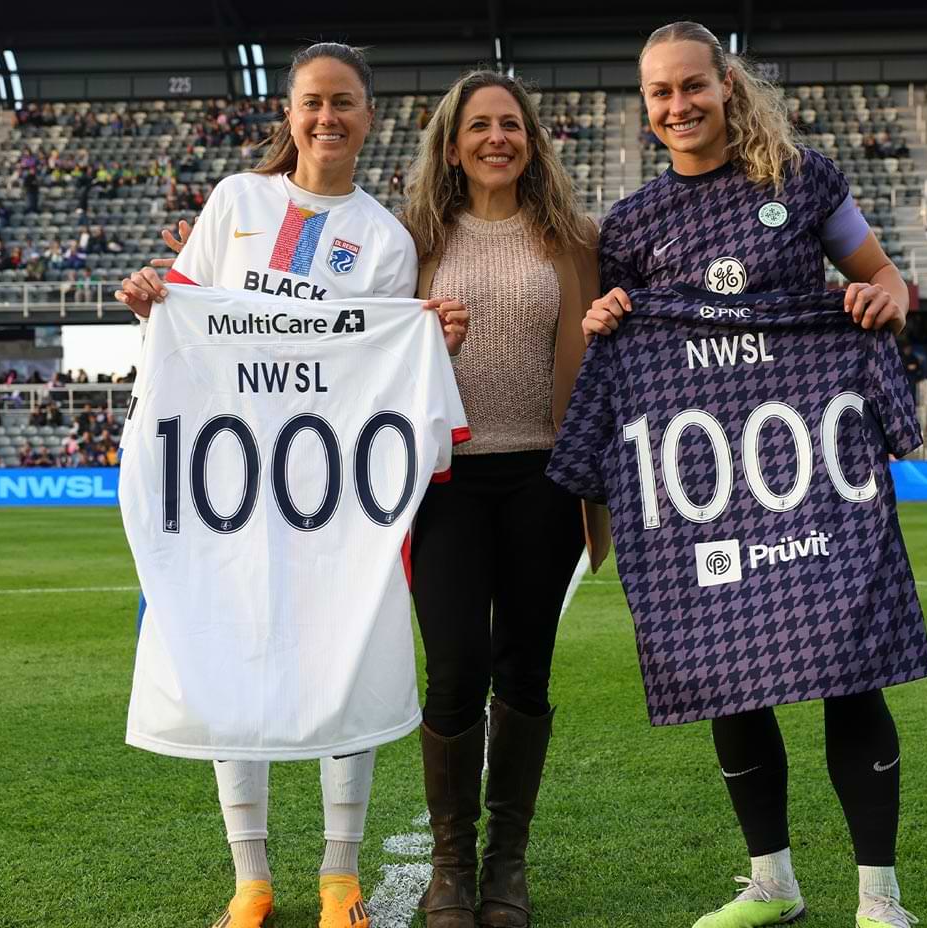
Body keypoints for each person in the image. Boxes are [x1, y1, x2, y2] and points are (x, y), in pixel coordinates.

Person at [116, 42, 468, 928]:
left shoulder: (386, 241)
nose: (327, 118)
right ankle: (251, 879)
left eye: (344, 102)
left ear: (369, 117)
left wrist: (430, 340)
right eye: (313, 102)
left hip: (331, 490)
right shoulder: (236, 200)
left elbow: (373, 366)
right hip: (230, 484)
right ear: (289, 112)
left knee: (338, 657)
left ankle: (339, 876)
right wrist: (153, 296)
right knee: (232, 661)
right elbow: (191, 322)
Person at [583, 22, 918, 928]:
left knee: (852, 668)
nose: (679, 105)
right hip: (709, 491)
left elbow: (886, 278)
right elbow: (622, 339)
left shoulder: (802, 181)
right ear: (646, 107)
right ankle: (773, 883)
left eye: (693, 85)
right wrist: (607, 310)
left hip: (812, 473)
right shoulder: (633, 224)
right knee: (730, 672)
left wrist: (883, 297)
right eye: (661, 93)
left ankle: (880, 899)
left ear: (727, 85)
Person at [401, 70, 610, 928]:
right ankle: (450, 867)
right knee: (453, 668)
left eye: (512, 126)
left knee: (524, 668)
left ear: (532, 141)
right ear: (452, 145)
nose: (497, 138)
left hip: (546, 476)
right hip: (443, 481)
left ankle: (506, 867)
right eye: (480, 126)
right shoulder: (409, 239)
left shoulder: (573, 238)